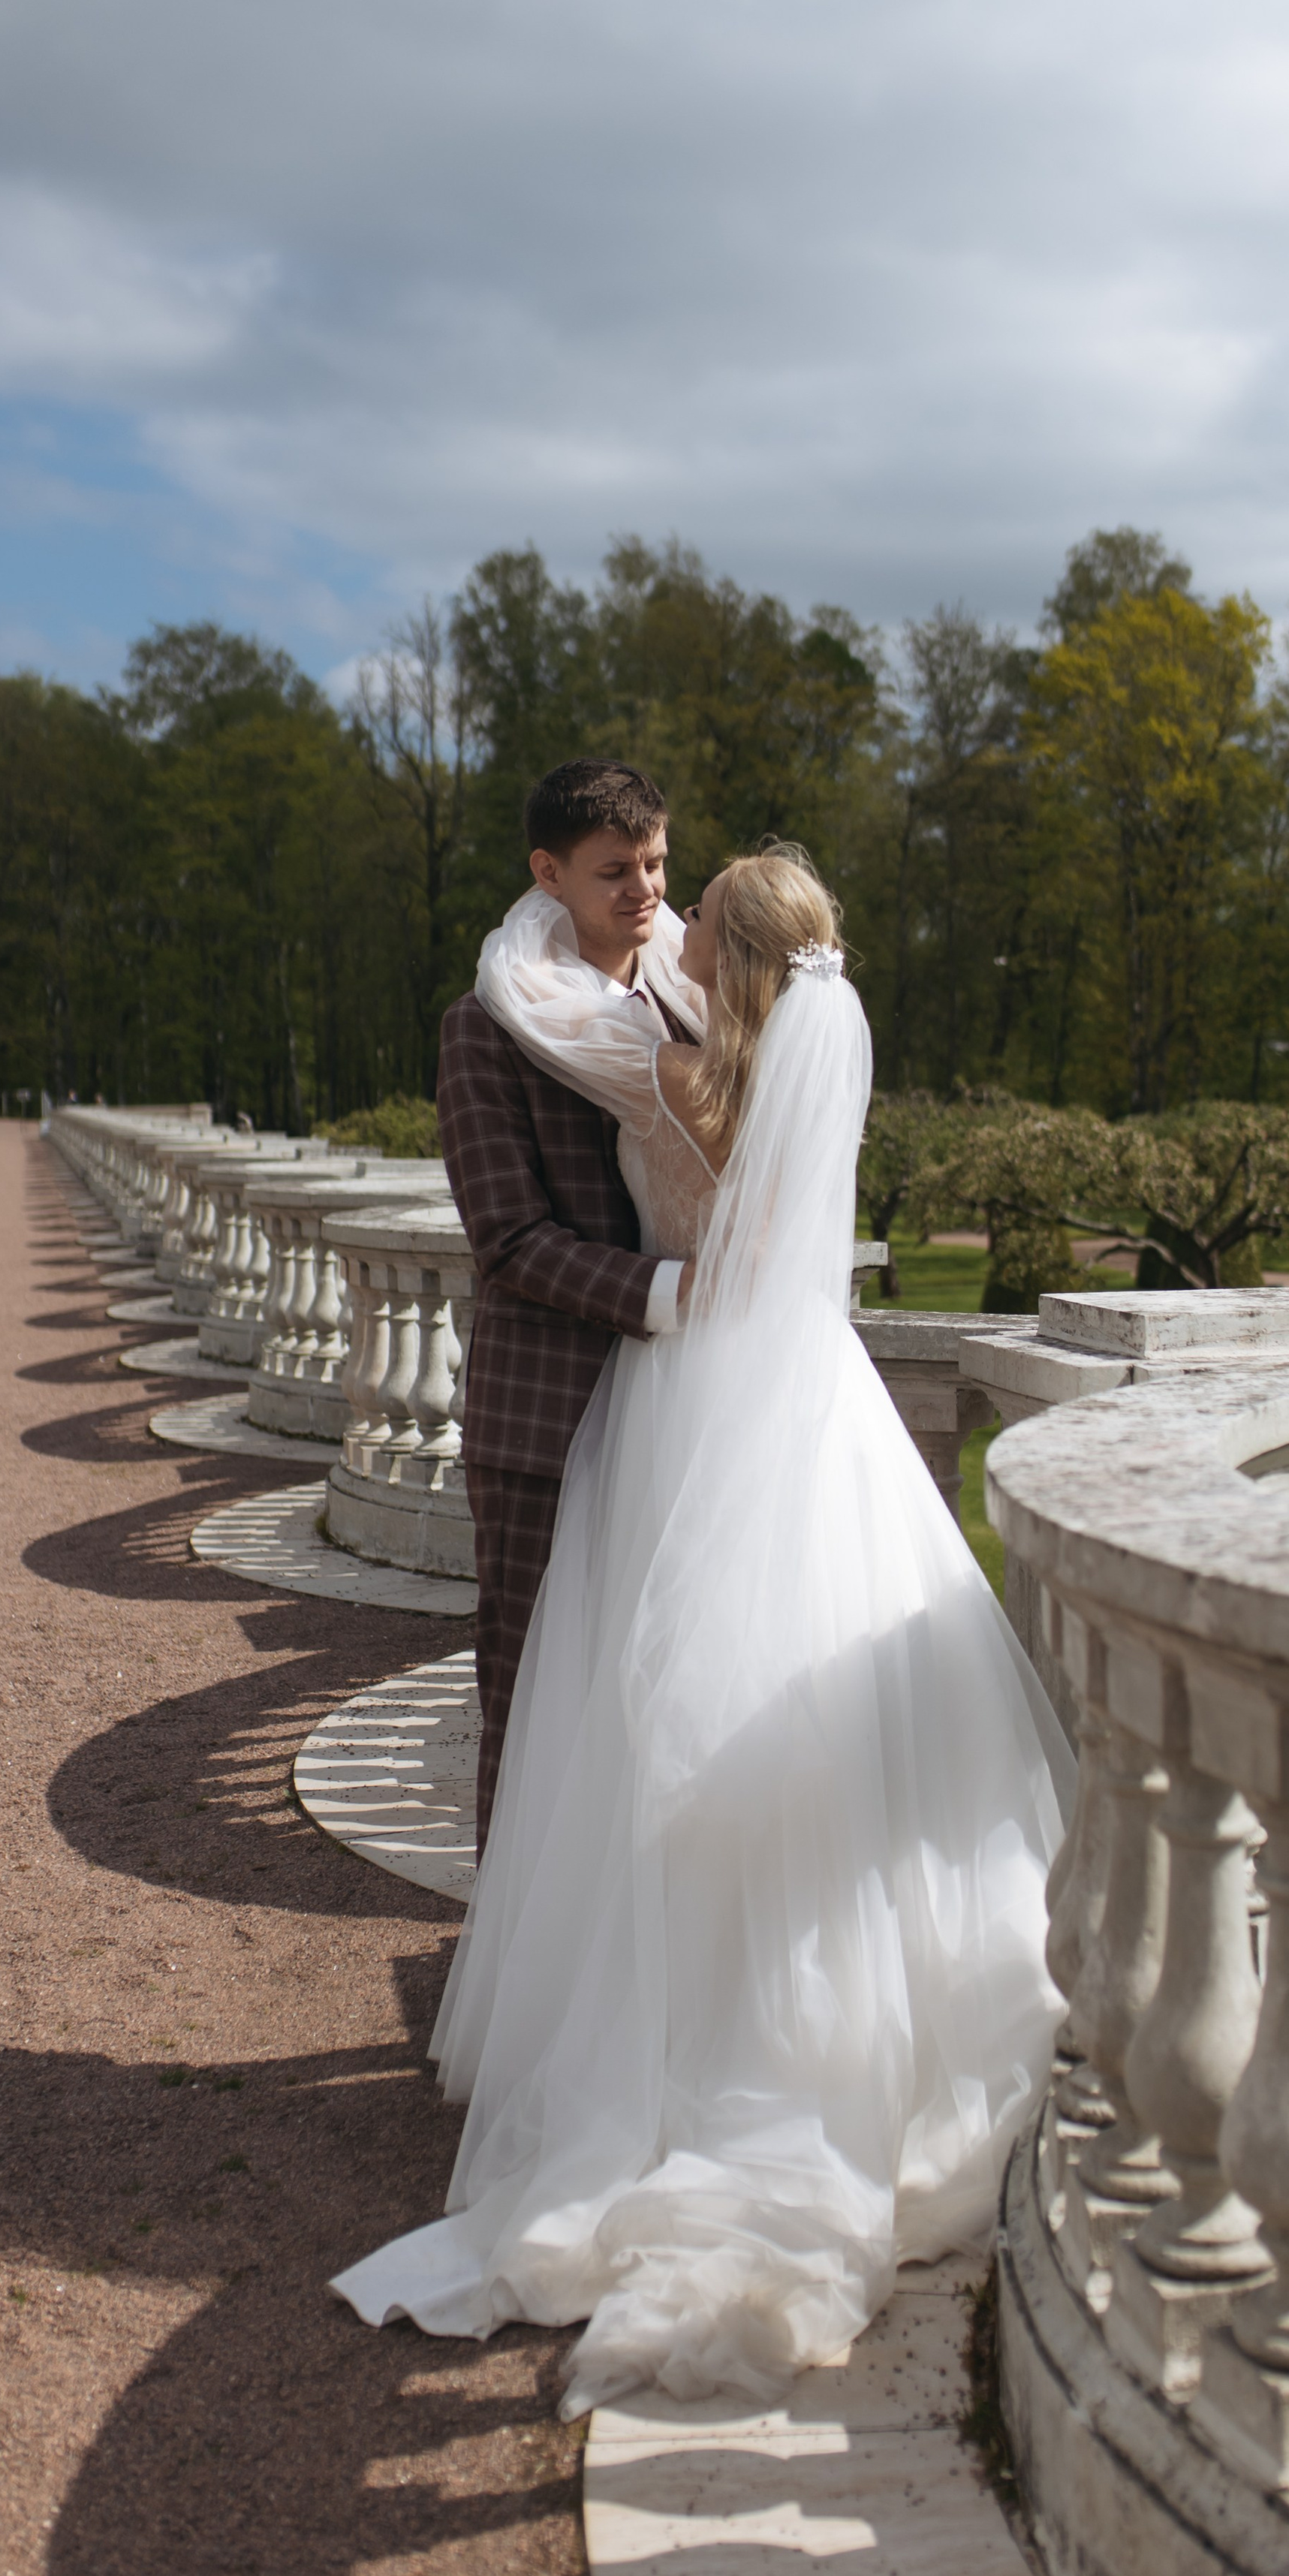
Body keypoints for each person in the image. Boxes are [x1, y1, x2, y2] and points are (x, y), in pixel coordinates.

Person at [334, 845, 1068, 2414]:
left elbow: (531, 1005)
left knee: (646, 1708)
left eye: (690, 908)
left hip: (689, 1396)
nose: (662, 918)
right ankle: (838, 2022)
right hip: (811, 1390)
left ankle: (683, 2034)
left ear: (722, 961)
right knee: (819, 1707)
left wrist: (548, 914)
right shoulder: (802, 1067)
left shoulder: (666, 1074)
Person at [436, 759, 705, 1851]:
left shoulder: (699, 1002)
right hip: (547, 1417)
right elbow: (507, 1240)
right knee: (534, 1702)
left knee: (663, 1700)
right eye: (615, 871)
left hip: (687, 1414)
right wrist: (677, 1295)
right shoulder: (483, 1027)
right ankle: (513, 1950)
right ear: (547, 874)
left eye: (657, 863)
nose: (646, 891)